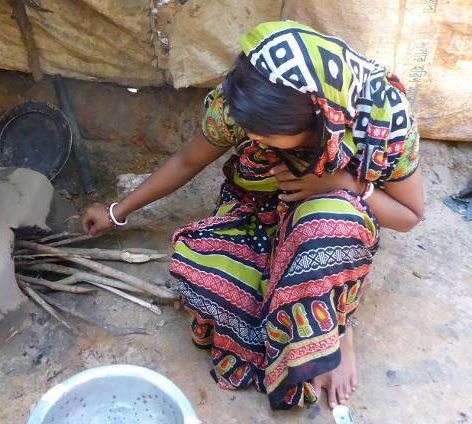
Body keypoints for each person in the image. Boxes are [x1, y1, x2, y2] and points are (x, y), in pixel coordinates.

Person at [82, 21, 423, 411]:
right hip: (256, 212)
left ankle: (339, 331)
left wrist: (342, 183)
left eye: (264, 135)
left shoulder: (382, 117)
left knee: (329, 229)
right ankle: (300, 310)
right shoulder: (245, 97)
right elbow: (187, 160)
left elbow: (409, 215)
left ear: (314, 119)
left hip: (334, 215)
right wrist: (117, 211)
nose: (251, 137)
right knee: (194, 264)